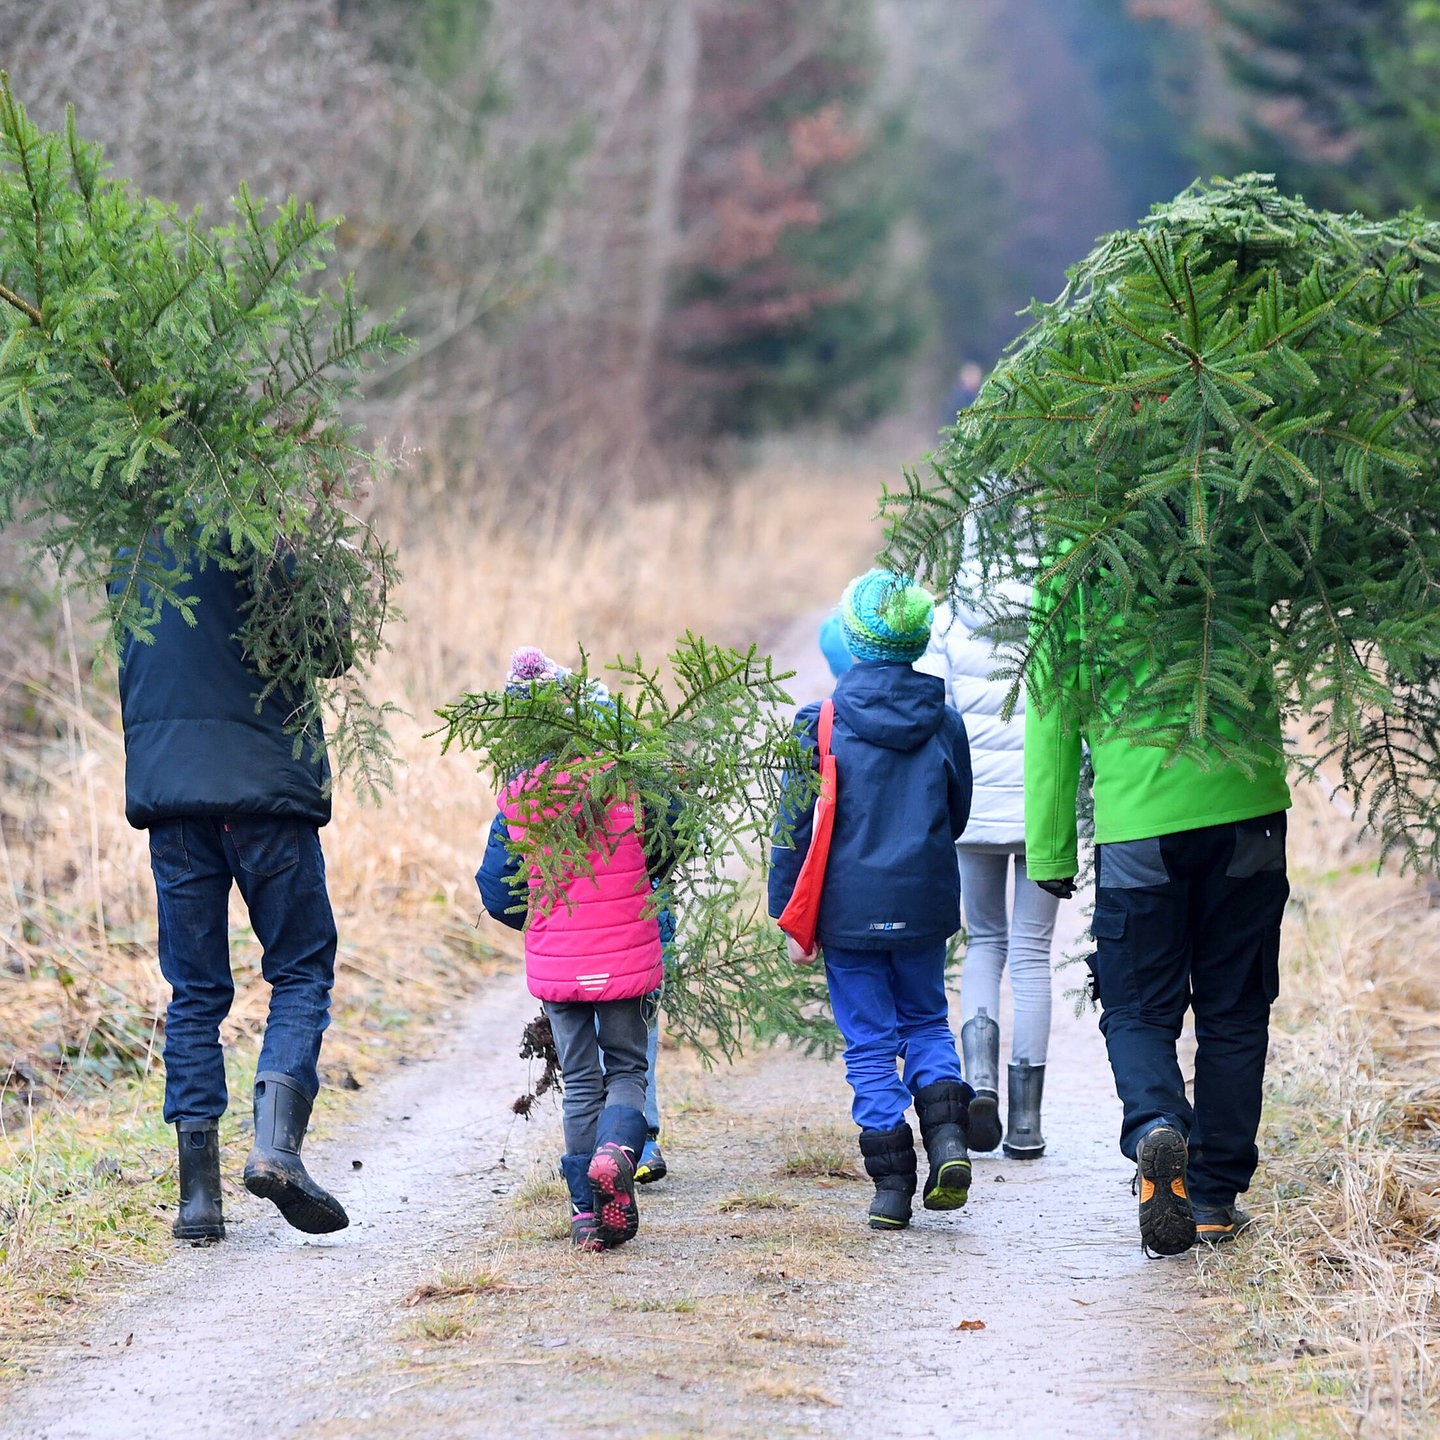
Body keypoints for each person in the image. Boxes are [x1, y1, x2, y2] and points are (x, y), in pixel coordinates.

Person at [1024, 583, 1292, 1255]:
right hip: (1247, 805)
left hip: (1140, 820)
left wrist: (1051, 846)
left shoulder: (1081, 547)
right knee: (1235, 1008)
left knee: (1137, 1004)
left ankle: (1154, 1128)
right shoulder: (1236, 502)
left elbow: (1054, 708)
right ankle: (1211, 1199)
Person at [112, 537, 351, 1242]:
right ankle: (276, 1151)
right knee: (302, 967)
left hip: (173, 800)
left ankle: (198, 1204)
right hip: (265, 792)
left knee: (194, 993)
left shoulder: (127, 544)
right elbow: (330, 648)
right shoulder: (261, 528)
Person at [770, 570, 973, 1231]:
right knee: (926, 1022)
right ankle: (947, 1142)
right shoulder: (944, 723)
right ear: (918, 640)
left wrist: (790, 916)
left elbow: (793, 834)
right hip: (923, 904)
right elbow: (958, 813)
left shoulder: (820, 725)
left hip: (848, 914)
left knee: (868, 1043)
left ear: (853, 642)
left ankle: (891, 1186)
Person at [476, 646, 666, 1250]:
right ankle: (616, 1154)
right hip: (627, 956)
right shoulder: (622, 777)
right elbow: (667, 841)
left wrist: (540, 918)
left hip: (560, 962)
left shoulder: (518, 796)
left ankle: (585, 1212)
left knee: (581, 1080)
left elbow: (498, 892)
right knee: (628, 1070)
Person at [916, 572, 1059, 1158]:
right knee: (1031, 952)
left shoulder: (948, 619)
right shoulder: (1058, 606)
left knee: (984, 942)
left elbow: (935, 714)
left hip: (973, 812)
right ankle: (1026, 1124)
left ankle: (981, 1086)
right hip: (1044, 808)